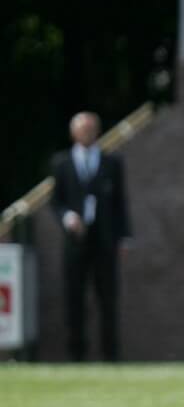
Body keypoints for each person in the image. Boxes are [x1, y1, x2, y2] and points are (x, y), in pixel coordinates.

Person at [50, 112, 131, 362]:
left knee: (108, 298)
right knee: (74, 298)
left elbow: (120, 203)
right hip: (75, 243)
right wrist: (68, 219)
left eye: (91, 129)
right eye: (82, 129)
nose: (87, 133)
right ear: (74, 133)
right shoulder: (62, 163)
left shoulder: (112, 163)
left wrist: (125, 237)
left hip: (104, 241)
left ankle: (110, 355)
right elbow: (56, 202)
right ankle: (76, 355)